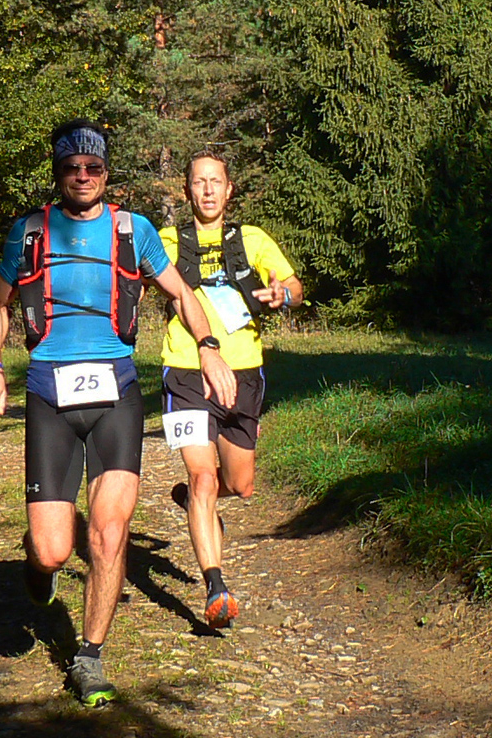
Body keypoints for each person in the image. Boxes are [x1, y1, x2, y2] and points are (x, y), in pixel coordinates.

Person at [0, 120, 235, 708]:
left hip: (116, 393)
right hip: (49, 393)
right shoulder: (30, 232)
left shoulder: (133, 230)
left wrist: (208, 346)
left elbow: (181, 293)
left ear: (106, 172)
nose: (83, 177)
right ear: (59, 173)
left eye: (93, 167)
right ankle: (38, 567)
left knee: (109, 531)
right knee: (52, 549)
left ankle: (88, 657)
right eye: (72, 168)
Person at [159, 150, 302, 629]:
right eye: (199, 182)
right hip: (187, 371)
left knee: (240, 486)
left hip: (244, 373)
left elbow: (294, 285)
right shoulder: (168, 241)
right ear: (186, 191)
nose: (207, 190)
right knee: (203, 478)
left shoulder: (252, 239)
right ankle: (216, 586)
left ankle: (195, 502)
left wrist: (283, 294)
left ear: (229, 189)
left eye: (215, 181)